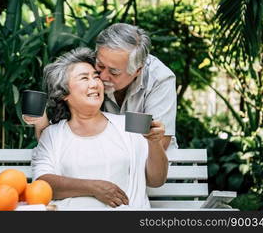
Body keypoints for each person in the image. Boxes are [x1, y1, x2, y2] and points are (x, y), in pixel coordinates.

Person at [32, 47, 168, 209]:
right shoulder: (53, 135)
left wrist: (154, 143)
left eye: (96, 77)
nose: (95, 84)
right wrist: (94, 188)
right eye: (84, 78)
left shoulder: (128, 124)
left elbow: (156, 180)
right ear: (64, 94)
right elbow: (43, 183)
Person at [24, 23, 177, 150]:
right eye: (100, 65)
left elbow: (159, 142)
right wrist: (41, 121)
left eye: (114, 72)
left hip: (150, 170)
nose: (101, 77)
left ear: (137, 70)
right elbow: (60, 137)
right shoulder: (89, 69)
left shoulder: (159, 78)